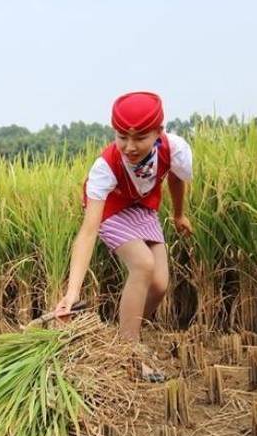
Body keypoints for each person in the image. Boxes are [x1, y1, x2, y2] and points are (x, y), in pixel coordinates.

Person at [53, 92, 194, 381]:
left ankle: (121, 341)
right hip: (112, 211)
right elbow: (88, 231)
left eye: (140, 137)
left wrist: (179, 214)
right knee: (142, 264)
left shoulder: (176, 149)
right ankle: (129, 355)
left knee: (159, 284)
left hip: (143, 208)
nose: (129, 147)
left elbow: (177, 179)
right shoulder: (104, 168)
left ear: (159, 131)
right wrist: (72, 292)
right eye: (121, 137)